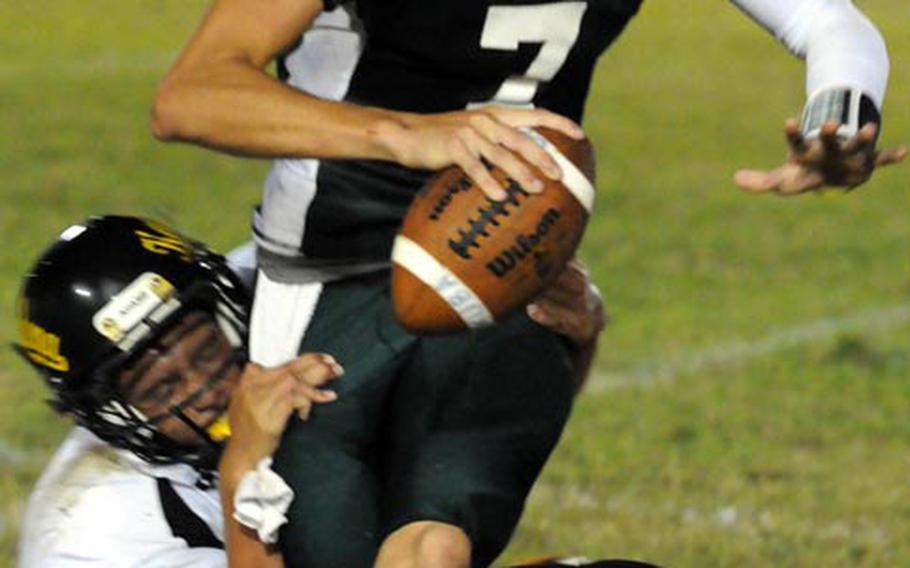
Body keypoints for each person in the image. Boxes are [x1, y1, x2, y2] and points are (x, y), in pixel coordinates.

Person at [150, 0, 905, 565]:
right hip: (321, 278)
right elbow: (190, 94)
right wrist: (401, 131)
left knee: (434, 550)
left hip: (501, 273)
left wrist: (838, 117)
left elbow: (830, 24)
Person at [15, 215, 607, 567]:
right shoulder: (92, 538)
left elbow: (474, 411)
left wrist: (568, 327)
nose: (206, 388)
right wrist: (242, 472)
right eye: (162, 386)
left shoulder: (283, 296)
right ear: (109, 417)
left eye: (205, 349)